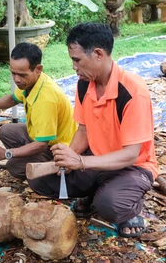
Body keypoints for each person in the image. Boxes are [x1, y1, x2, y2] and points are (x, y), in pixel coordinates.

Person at [30, 22, 158, 238]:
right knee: (39, 181)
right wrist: (68, 159)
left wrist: (80, 162)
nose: (74, 67)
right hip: (96, 162)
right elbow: (84, 131)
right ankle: (98, 189)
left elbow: (130, 155)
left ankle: (131, 208)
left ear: (98, 54)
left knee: (110, 205)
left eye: (77, 60)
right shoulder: (83, 84)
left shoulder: (133, 92)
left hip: (133, 167)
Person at [0, 42, 77, 180]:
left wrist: (8, 153)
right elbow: (13, 99)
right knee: (7, 131)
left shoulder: (46, 99)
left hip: (58, 149)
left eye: (22, 75)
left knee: (14, 166)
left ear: (38, 69)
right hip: (41, 137)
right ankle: (31, 158)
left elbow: (42, 144)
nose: (16, 79)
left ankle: (50, 170)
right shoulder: (32, 82)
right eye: (13, 73)